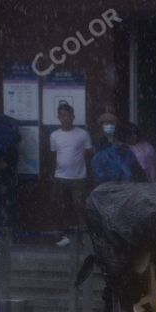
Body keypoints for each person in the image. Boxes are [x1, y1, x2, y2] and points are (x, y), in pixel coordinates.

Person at [49, 102, 92, 247]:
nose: (65, 118)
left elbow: (88, 154)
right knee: (61, 207)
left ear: (73, 116)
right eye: (62, 116)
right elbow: (54, 156)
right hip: (60, 177)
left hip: (78, 177)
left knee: (80, 207)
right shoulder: (54, 135)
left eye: (67, 115)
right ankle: (66, 236)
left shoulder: (83, 134)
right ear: (58, 117)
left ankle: (84, 238)